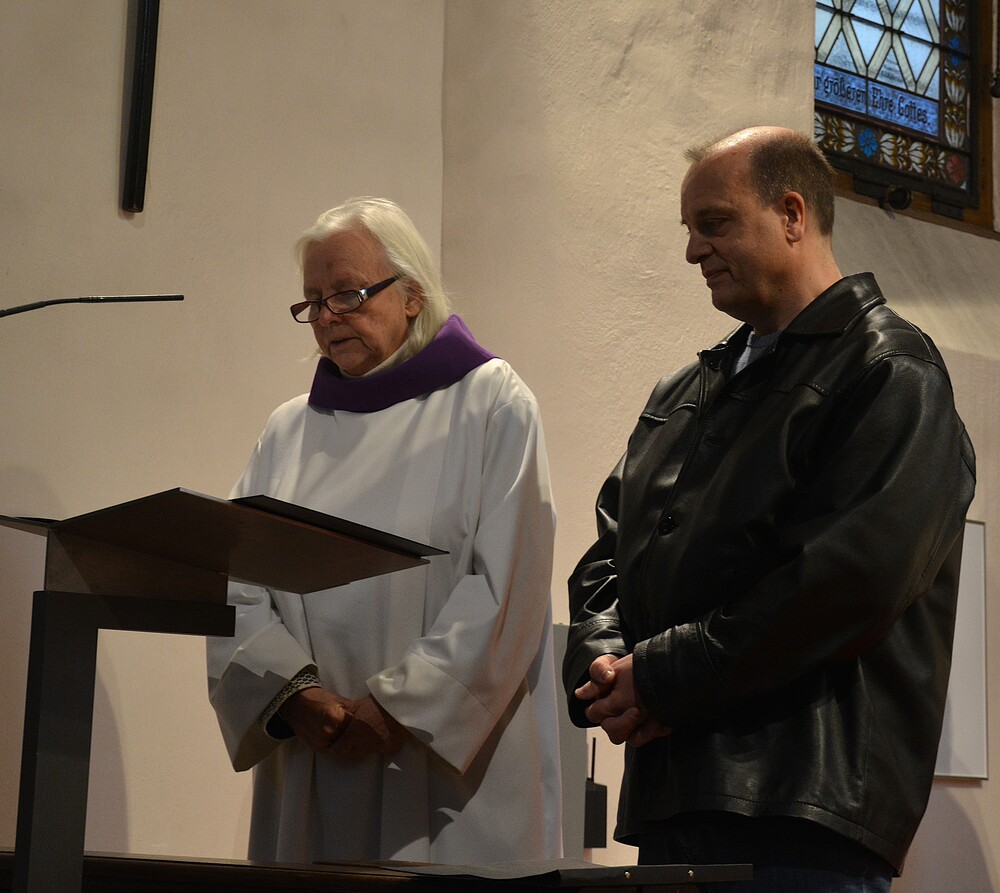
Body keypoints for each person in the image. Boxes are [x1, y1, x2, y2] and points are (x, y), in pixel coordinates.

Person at [563, 127, 975, 891]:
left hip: (803, 808)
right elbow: (609, 555)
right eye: (690, 229)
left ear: (792, 214)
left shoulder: (889, 369)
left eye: (714, 223)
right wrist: (605, 665)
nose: (693, 250)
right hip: (676, 793)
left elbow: (844, 585)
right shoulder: (683, 391)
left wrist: (659, 676)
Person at [208, 197, 562, 864]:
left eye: (347, 294)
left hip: (443, 768)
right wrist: (293, 694)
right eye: (313, 302)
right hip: (314, 747)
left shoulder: (491, 402)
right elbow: (236, 583)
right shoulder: (288, 431)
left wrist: (401, 706)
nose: (326, 318)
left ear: (412, 294)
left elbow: (508, 586)